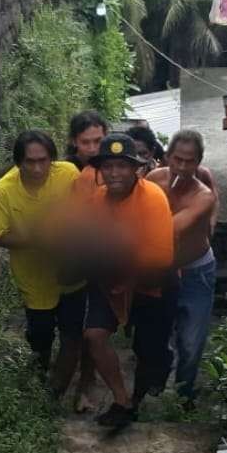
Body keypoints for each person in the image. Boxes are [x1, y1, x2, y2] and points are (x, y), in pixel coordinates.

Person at [56, 134, 175, 428]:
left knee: (148, 351)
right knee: (93, 336)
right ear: (100, 170)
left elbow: (159, 258)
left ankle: (142, 391)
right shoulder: (98, 200)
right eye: (108, 167)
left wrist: (128, 277)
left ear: (135, 168)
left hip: (151, 282)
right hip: (111, 279)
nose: (114, 173)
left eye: (122, 166)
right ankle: (122, 400)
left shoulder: (153, 199)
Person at [0, 131, 83, 376]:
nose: (38, 168)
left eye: (43, 160)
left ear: (52, 159)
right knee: (41, 335)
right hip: (33, 276)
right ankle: (38, 378)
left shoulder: (69, 174)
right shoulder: (2, 192)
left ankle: (59, 388)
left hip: (72, 271)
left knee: (73, 332)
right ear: (19, 163)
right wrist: (37, 239)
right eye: (30, 162)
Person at [147, 130, 217, 402]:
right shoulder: (152, 180)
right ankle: (155, 383)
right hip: (159, 271)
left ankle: (184, 393)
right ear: (167, 158)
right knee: (157, 333)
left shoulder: (203, 196)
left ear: (199, 161)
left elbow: (169, 230)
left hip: (196, 271)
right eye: (178, 160)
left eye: (190, 161)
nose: (183, 167)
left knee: (191, 340)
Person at [62, 110, 108, 411]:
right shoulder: (65, 172)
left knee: (94, 324)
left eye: (98, 141)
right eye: (85, 142)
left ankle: (87, 382)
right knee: (72, 325)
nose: (92, 148)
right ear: (73, 142)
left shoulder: (114, 167)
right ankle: (64, 378)